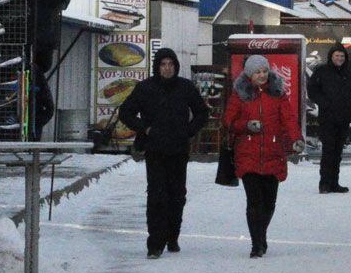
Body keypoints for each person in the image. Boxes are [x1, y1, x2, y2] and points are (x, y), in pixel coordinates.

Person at [117, 47, 211, 259]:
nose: (167, 69)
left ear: (176, 66)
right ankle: (155, 243)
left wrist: (188, 130)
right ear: (157, 67)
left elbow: (202, 112)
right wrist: (144, 128)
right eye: (163, 65)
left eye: (170, 65)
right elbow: (126, 112)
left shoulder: (185, 87)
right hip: (155, 148)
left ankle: (172, 236)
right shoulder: (145, 88)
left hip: (178, 148)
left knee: (177, 195)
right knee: (157, 195)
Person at [224, 55, 303, 258]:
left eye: (265, 71)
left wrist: (296, 138)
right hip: (248, 154)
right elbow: (228, 121)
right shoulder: (239, 94)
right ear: (250, 74)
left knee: (269, 203)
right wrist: (247, 126)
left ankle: (261, 234)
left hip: (273, 153)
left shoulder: (277, 93)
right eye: (258, 72)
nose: (262, 75)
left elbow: (289, 118)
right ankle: (256, 244)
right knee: (254, 202)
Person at [306, 44, 351, 193]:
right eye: (337, 56)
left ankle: (334, 183)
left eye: (342, 56)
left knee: (337, 153)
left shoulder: (349, 75)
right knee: (328, 152)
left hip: (343, 119)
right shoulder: (322, 71)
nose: (339, 58)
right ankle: (324, 184)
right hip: (327, 119)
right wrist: (324, 102)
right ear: (331, 57)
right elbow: (312, 90)